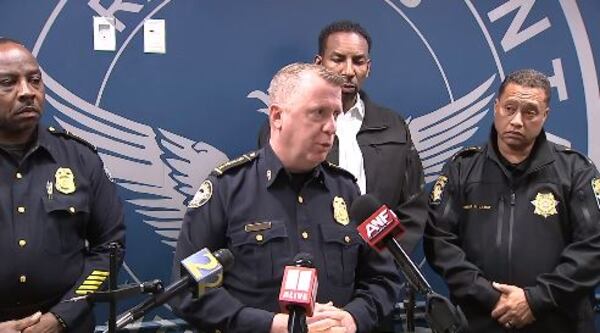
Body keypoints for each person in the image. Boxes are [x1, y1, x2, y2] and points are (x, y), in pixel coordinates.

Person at [172, 63, 402, 333]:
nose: (331, 127)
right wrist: (273, 325)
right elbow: (189, 287)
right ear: (277, 116)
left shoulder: (349, 191)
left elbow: (384, 277)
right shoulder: (227, 189)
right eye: (318, 113)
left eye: (335, 115)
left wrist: (353, 319)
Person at [424, 69, 600, 332]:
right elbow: (439, 243)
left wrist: (535, 300)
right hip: (480, 321)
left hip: (558, 321)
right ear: (496, 107)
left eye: (530, 112)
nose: (517, 120)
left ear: (545, 116)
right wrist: (492, 298)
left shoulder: (576, 171)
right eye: (509, 108)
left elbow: (593, 248)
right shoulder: (461, 169)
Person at [258, 20, 427, 255]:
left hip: (376, 265)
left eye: (358, 61)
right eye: (338, 59)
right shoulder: (287, 123)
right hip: (308, 262)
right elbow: (269, 199)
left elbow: (414, 206)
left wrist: (385, 260)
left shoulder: (393, 126)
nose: (349, 71)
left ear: (368, 67)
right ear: (318, 63)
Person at [0, 38, 126, 332]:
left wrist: (61, 317)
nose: (27, 92)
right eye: (8, 83)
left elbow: (110, 248)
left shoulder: (80, 159)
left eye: (34, 81)